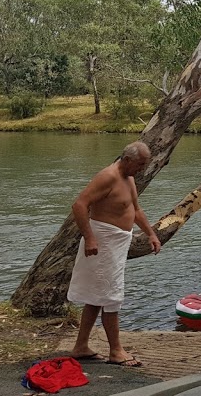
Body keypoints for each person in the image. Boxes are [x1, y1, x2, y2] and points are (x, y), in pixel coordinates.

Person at [67, 140, 161, 367]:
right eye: (140, 164)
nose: (142, 169)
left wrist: (151, 234)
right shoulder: (108, 176)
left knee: (98, 296)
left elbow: (135, 210)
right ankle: (116, 351)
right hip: (103, 241)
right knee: (111, 296)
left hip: (117, 243)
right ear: (127, 159)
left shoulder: (129, 178)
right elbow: (80, 204)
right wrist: (89, 237)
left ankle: (80, 346)